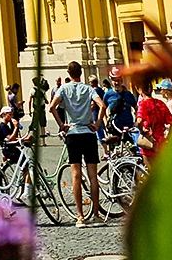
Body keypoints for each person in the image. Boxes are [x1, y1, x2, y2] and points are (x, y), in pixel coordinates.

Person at [50, 61, 105, 226]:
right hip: (88, 133)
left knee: (75, 175)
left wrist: (62, 124)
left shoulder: (64, 89)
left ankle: (80, 216)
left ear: (68, 73)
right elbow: (102, 105)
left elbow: (52, 107)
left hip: (73, 133)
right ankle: (96, 214)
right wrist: (98, 123)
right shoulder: (88, 89)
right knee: (93, 176)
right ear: (81, 73)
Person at [135, 79, 172, 160]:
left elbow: (139, 122)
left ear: (139, 90)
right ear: (152, 89)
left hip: (149, 143)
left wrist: (142, 130)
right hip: (161, 142)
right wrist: (168, 136)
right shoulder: (160, 103)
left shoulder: (143, 104)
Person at [102, 74, 138, 150]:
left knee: (131, 151)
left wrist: (137, 122)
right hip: (114, 128)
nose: (116, 83)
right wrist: (105, 124)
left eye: (118, 80)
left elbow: (137, 108)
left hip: (128, 128)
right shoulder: (108, 95)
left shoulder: (128, 95)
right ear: (111, 81)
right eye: (114, 80)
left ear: (121, 80)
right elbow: (102, 110)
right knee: (115, 153)